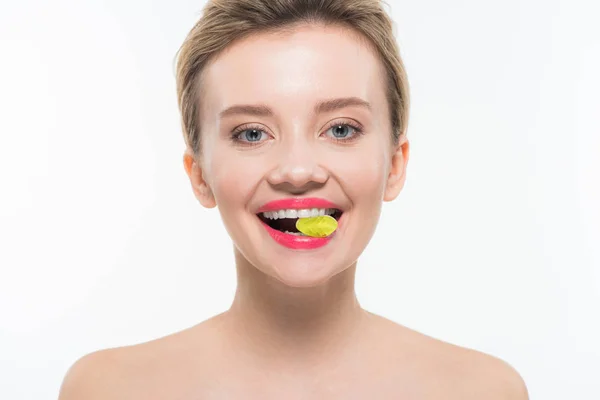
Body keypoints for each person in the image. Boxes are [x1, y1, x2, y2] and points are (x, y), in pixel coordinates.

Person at [59, 0, 529, 398]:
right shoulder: (106, 389)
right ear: (199, 174)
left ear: (396, 164)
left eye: (341, 129)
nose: (298, 171)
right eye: (252, 133)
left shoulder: (484, 390)